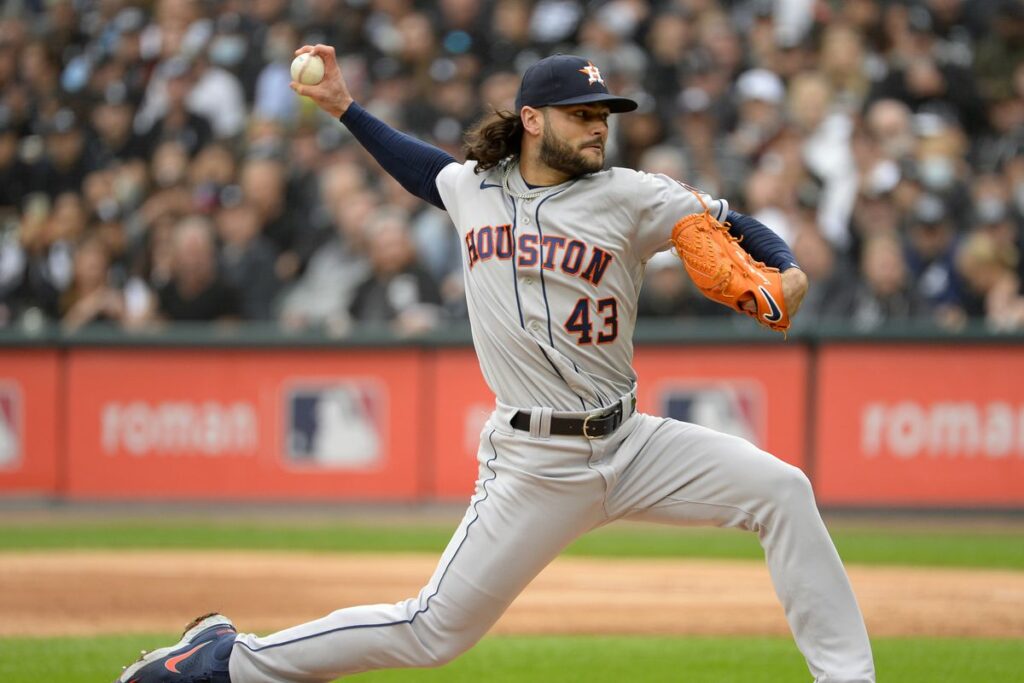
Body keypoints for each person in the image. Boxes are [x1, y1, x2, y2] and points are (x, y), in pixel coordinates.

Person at [115, 48, 874, 683]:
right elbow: (420, 169)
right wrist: (345, 107)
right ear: (534, 120)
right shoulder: (474, 187)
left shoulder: (634, 196)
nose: (598, 129)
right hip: (535, 461)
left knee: (782, 489)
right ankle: (223, 662)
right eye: (583, 114)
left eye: (604, 116)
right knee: (430, 631)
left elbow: (730, 221)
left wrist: (787, 269)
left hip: (632, 442)